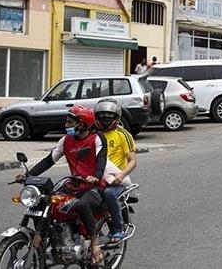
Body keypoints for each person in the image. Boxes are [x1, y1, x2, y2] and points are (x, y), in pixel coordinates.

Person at [21, 106, 107, 264]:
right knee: (44, 201)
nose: (66, 125)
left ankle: (95, 244)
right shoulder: (66, 140)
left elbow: (102, 159)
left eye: (70, 122)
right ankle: (46, 242)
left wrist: (96, 177)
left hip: (94, 186)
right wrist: (29, 175)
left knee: (82, 205)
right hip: (74, 184)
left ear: (82, 124)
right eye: (66, 122)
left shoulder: (96, 138)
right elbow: (49, 160)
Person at [94, 98, 137, 244]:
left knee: (109, 193)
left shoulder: (122, 134)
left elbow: (133, 161)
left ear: (117, 117)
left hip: (115, 181)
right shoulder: (92, 134)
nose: (105, 118)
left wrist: (121, 175)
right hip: (96, 177)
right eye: (102, 115)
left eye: (109, 115)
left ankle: (118, 229)